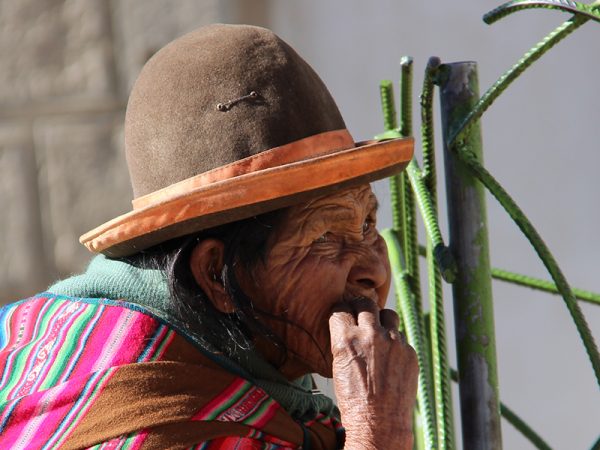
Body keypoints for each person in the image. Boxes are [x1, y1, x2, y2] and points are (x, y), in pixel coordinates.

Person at [0, 24, 418, 449]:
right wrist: (377, 429)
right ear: (217, 274)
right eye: (326, 236)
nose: (374, 270)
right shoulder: (158, 431)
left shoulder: (44, 334)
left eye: (367, 225)